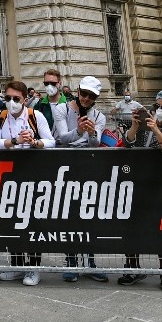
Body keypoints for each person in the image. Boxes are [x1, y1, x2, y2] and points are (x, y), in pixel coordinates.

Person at [0, 81, 56, 286]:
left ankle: (33, 267)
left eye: (16, 99)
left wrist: (36, 142)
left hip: (32, 174)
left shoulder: (36, 116)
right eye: (7, 98)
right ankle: (17, 265)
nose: (11, 102)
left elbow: (51, 141)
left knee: (33, 221)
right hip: (8, 176)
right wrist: (15, 141)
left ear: (24, 100)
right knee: (10, 219)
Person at [121, 90, 162, 290]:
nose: (158, 110)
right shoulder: (145, 123)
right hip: (139, 180)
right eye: (156, 106)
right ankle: (132, 267)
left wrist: (157, 130)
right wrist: (135, 126)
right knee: (133, 225)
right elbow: (128, 143)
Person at [51, 76, 109, 282]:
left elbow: (96, 144)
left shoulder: (99, 115)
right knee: (69, 214)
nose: (85, 99)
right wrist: (79, 130)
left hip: (88, 166)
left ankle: (90, 261)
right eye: (83, 94)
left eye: (90, 96)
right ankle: (71, 261)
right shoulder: (62, 109)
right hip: (65, 165)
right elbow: (62, 138)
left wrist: (92, 132)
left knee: (89, 214)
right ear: (78, 91)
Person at [31, 69, 66, 134]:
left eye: (53, 83)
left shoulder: (68, 104)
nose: (49, 86)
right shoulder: (40, 105)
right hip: (46, 142)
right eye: (46, 83)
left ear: (59, 84)